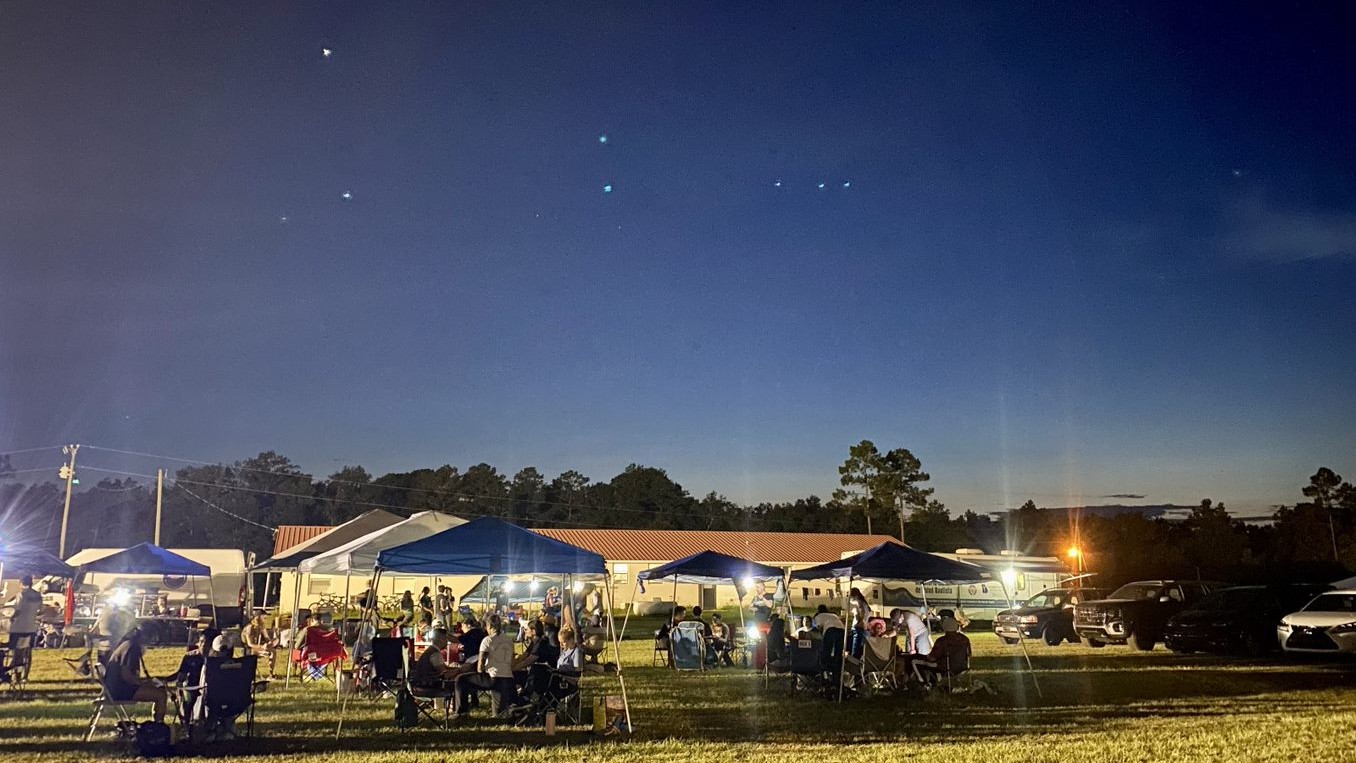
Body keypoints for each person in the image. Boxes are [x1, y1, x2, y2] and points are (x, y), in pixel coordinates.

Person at [103, 623, 168, 723]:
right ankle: (158, 726)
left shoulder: (128, 644)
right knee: (161, 695)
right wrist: (144, 684)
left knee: (158, 691)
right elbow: (126, 675)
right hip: (119, 690)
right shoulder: (132, 647)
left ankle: (157, 724)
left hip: (114, 688)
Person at [455, 614, 516, 716]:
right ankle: (500, 715)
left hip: (492, 677)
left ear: (490, 626)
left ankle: (462, 712)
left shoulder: (487, 640)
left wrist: (480, 671)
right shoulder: (509, 640)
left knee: (461, 680)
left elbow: (481, 663)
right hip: (507, 677)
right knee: (499, 713)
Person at [913, 615, 970, 686]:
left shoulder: (942, 641)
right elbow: (969, 653)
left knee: (915, 662)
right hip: (962, 667)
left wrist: (928, 656)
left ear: (944, 627)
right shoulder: (965, 639)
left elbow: (932, 657)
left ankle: (924, 684)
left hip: (946, 667)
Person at [3, 576, 42, 678]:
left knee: (16, 652)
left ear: (21, 584)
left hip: (18, 628)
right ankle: (25, 676)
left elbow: (18, 610)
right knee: (27, 653)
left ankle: (16, 674)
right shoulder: (37, 595)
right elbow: (39, 609)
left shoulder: (21, 595)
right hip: (31, 628)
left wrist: (11, 618)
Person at [240, 613, 276, 677]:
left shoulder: (261, 626)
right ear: (258, 618)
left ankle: (271, 674)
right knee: (265, 651)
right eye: (264, 618)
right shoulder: (249, 627)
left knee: (273, 651)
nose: (265, 620)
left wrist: (271, 643)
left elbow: (267, 637)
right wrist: (262, 646)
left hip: (257, 647)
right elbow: (249, 644)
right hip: (248, 649)